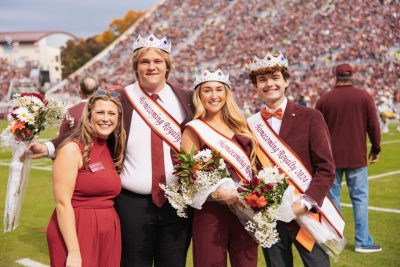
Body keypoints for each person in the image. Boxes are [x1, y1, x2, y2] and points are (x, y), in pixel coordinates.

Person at [29, 34, 193, 267]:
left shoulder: (186, 98)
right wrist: (48, 146)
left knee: (174, 263)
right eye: (144, 62)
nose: (151, 66)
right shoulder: (121, 98)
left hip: (177, 203)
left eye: (157, 61)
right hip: (131, 204)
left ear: (168, 65)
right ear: (136, 66)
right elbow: (88, 129)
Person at [246, 52, 337, 267]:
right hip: (271, 217)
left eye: (275, 78)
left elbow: (326, 168)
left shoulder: (311, 117)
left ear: (286, 80)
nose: (270, 84)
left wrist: (305, 204)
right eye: (262, 80)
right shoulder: (251, 124)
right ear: (255, 87)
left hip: (305, 214)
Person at [181, 69, 259, 267]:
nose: (214, 96)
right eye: (207, 90)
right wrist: (215, 192)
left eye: (219, 90)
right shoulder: (194, 129)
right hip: (211, 212)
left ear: (227, 94)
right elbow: (187, 174)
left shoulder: (241, 127)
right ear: (199, 95)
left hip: (245, 208)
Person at [47, 90, 126, 267]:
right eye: (100, 112)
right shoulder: (72, 149)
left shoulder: (110, 146)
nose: (106, 118)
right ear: (89, 115)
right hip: (77, 229)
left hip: (108, 231)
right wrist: (74, 252)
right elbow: (62, 202)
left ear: (118, 119)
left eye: (111, 113)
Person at [316, 63, 382, 253]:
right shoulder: (364, 97)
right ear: (352, 76)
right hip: (357, 157)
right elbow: (374, 126)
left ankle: (334, 239)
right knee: (360, 199)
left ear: (335, 76)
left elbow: (316, 130)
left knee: (332, 200)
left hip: (330, 159)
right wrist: (376, 148)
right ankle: (362, 242)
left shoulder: (324, 99)